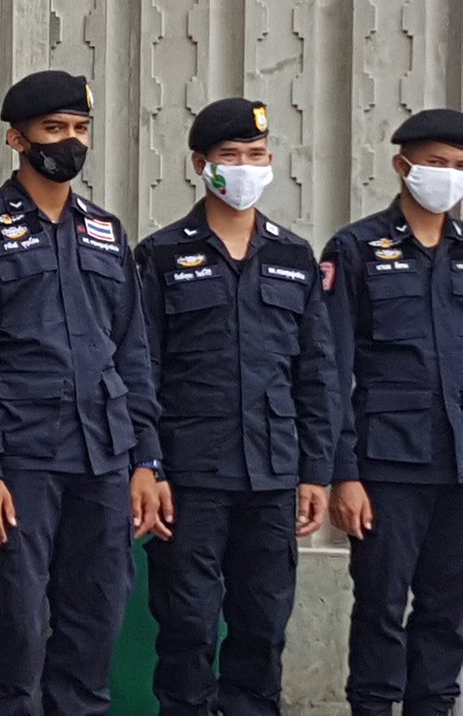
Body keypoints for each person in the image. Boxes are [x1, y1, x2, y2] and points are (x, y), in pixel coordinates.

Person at [0, 70, 165, 715]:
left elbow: (131, 349)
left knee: (96, 614)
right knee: (17, 619)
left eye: (80, 129)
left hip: (102, 453)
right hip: (22, 454)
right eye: (55, 130)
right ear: (18, 139)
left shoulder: (104, 229)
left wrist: (144, 459)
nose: (71, 142)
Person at [135, 97, 336, 715]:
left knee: (263, 624)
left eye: (256, 155)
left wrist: (316, 473)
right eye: (231, 156)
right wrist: (149, 466)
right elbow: (142, 370)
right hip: (192, 474)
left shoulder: (294, 256)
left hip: (273, 475)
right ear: (201, 164)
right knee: (188, 626)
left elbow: (317, 372)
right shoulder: (161, 255)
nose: (245, 167)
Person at [322, 108, 463, 716]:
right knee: (380, 607)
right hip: (387, 466)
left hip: (458, 466)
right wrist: (343, 472)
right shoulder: (356, 249)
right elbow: (332, 369)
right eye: (436, 164)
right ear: (402, 166)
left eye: (459, 167)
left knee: (448, 611)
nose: (448, 176)